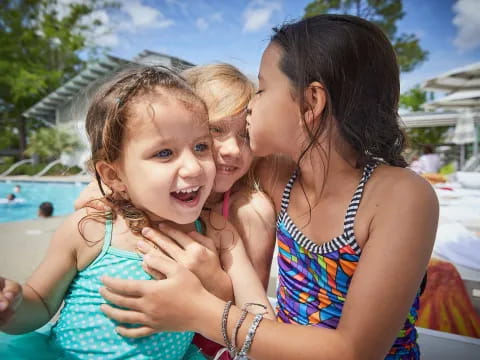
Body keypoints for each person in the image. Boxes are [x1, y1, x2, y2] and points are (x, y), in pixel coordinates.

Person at [91, 15, 438, 360]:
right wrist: (116, 186)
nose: (251, 106)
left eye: (262, 89)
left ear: (311, 102)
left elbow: (353, 352)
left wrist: (197, 311)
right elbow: (192, 171)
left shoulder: (401, 196)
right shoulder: (276, 176)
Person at [0, 66, 273, 360]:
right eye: (164, 153)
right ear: (113, 176)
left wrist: (214, 301)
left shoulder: (219, 231)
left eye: (200, 146)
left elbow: (261, 318)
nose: (194, 167)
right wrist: (13, 306)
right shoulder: (92, 227)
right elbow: (40, 303)